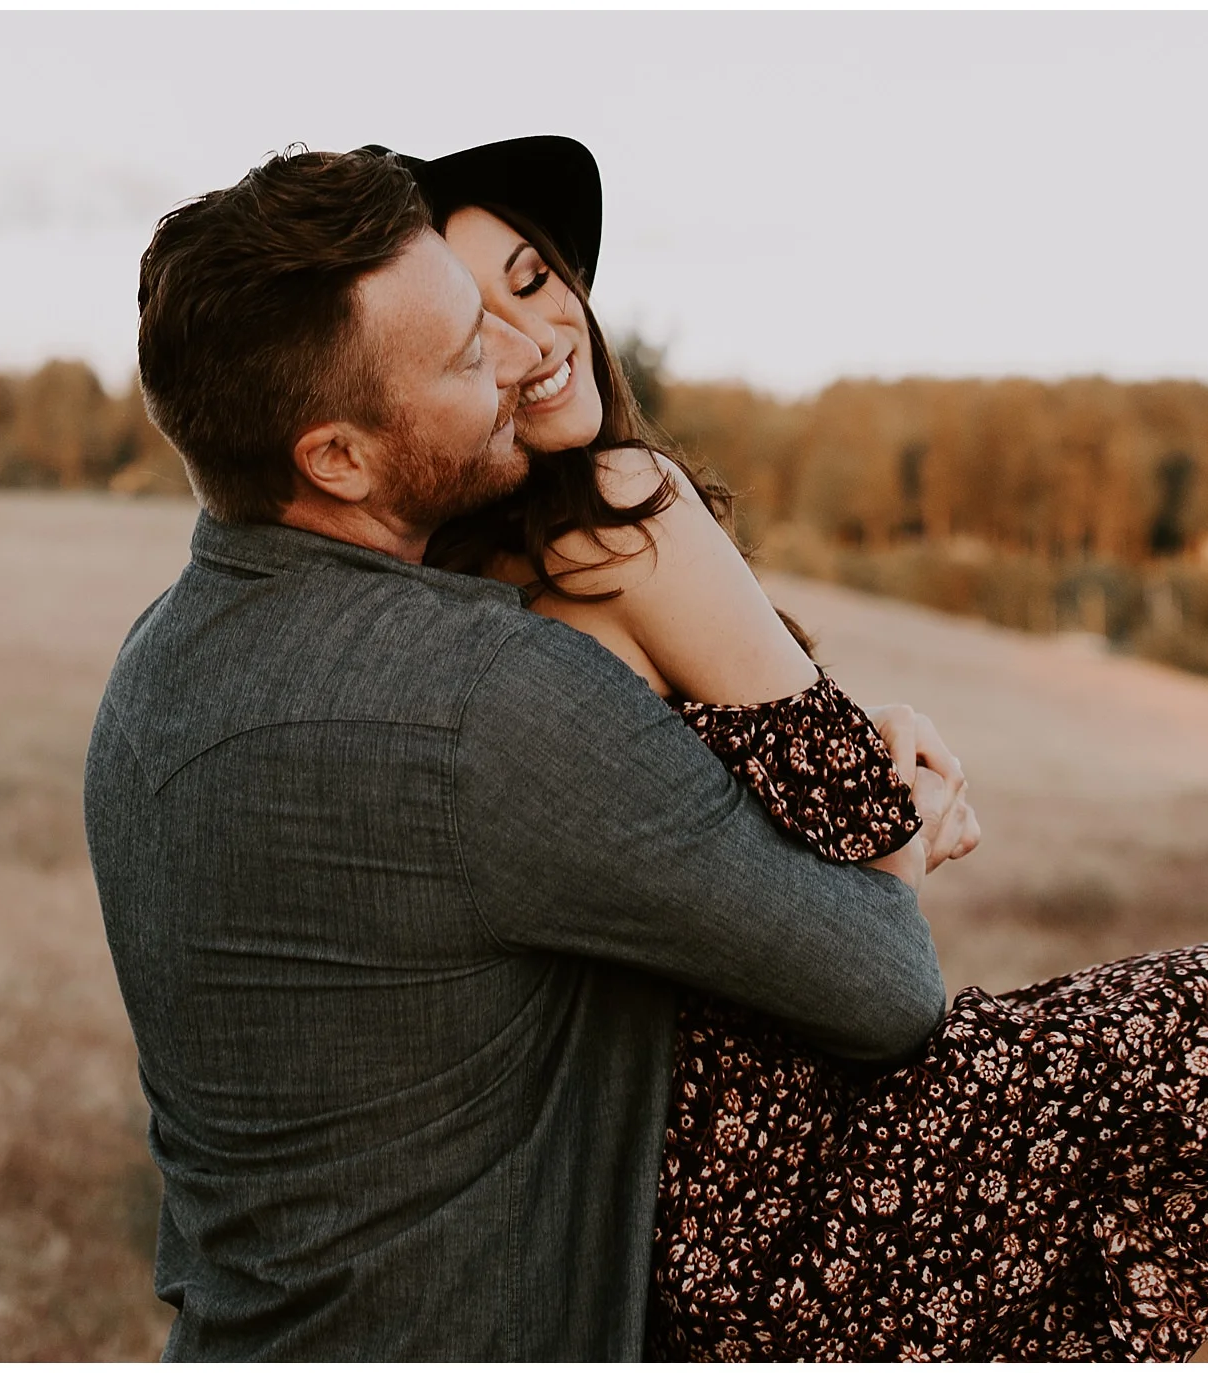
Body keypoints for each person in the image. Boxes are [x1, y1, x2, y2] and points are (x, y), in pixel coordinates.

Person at [402, 135, 1208, 1362]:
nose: (535, 338)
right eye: (475, 326)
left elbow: (810, 776)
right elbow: (866, 835)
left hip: (647, 1193)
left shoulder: (472, 576)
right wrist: (894, 798)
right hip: (773, 1180)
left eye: (535, 279)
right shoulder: (621, 512)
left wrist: (878, 758)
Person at [85, 146, 976, 1361]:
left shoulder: (154, 667)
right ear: (335, 457)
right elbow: (885, 989)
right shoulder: (482, 697)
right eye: (464, 351)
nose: (519, 355)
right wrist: (904, 825)